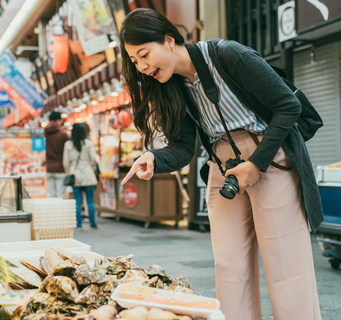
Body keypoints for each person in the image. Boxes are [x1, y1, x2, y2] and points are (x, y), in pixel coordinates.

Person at [120, 8, 322, 320]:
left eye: (144, 54)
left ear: (169, 39)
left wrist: (256, 164)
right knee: (229, 267)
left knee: (286, 266)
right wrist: (153, 159)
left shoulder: (229, 55)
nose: (143, 66)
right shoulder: (172, 86)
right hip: (222, 165)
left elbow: (287, 106)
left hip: (269, 155)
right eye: (135, 61)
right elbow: (184, 149)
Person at [63, 123, 98, 229]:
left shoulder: (68, 144)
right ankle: (92, 223)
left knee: (77, 201)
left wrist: (69, 173)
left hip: (75, 175)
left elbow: (66, 162)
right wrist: (92, 169)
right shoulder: (88, 143)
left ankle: (78, 223)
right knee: (90, 201)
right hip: (88, 174)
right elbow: (93, 159)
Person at [45, 111, 70, 198]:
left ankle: (50, 211)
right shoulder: (63, 135)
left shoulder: (43, 134)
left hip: (47, 168)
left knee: (50, 195)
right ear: (59, 120)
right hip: (60, 168)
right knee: (61, 195)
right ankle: (60, 212)